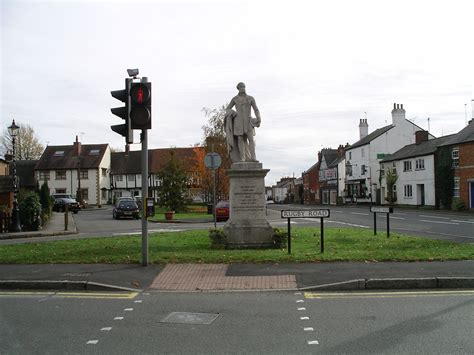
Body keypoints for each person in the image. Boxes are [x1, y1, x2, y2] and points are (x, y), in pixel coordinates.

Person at [224, 82, 261, 162]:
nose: (243, 88)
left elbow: (256, 109)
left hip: (248, 122)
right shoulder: (235, 99)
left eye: (244, 87)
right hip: (238, 123)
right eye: (241, 87)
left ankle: (253, 157)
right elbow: (228, 109)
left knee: (250, 139)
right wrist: (233, 112)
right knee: (240, 139)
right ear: (238, 88)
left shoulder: (251, 98)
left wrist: (258, 117)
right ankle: (242, 158)